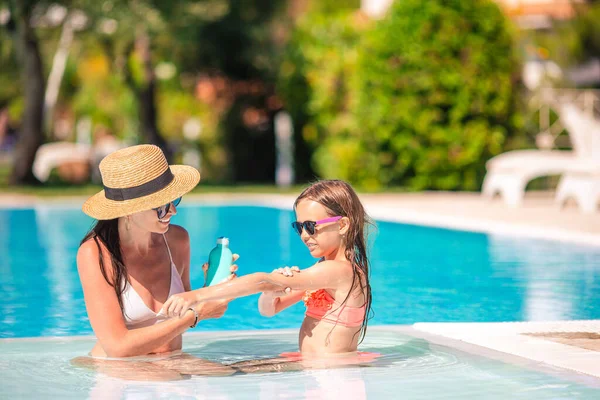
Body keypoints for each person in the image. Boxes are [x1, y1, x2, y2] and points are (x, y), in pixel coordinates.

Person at [161, 180, 375, 370]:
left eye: (311, 226)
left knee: (220, 370)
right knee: (225, 369)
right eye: (299, 227)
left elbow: (262, 280)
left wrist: (196, 296)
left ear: (342, 225)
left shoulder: (338, 271)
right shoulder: (322, 271)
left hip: (334, 375)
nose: (304, 235)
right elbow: (268, 310)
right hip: (320, 369)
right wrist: (272, 292)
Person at [73, 144, 241, 379]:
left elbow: (185, 309)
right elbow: (117, 347)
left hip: (170, 362)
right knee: (172, 379)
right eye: (161, 207)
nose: (172, 211)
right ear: (129, 210)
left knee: (234, 375)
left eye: (174, 200)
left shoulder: (177, 239)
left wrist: (210, 292)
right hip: (118, 367)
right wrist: (196, 315)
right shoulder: (95, 254)